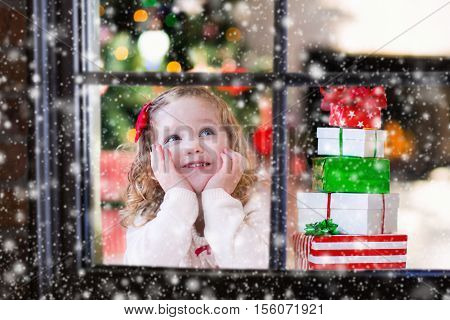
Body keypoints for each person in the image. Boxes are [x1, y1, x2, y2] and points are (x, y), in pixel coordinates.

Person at [120, 86, 271, 269]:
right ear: (152, 159)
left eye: (207, 132)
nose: (193, 146)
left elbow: (256, 270)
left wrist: (218, 197)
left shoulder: (256, 202)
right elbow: (142, 274)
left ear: (232, 143)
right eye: (173, 138)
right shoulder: (146, 214)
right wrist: (179, 198)